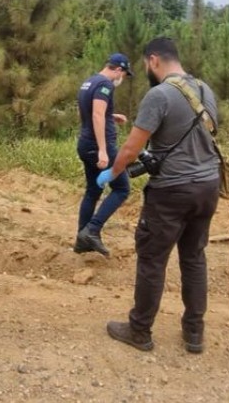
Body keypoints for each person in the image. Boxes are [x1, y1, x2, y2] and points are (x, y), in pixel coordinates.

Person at [98, 37, 220, 353]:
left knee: (152, 259)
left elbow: (131, 147)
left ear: (154, 60)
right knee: (193, 257)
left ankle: (139, 330)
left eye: (145, 65)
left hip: (172, 192)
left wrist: (111, 174)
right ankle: (194, 333)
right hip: (208, 187)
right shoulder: (206, 90)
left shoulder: (159, 94)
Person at [74, 53, 133, 256]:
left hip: (85, 142)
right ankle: (92, 230)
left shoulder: (89, 82)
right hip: (99, 146)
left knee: (93, 190)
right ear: (118, 69)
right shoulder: (105, 85)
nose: (122, 79)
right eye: (123, 74)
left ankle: (82, 239)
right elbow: (97, 114)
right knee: (122, 188)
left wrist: (110, 116)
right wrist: (103, 150)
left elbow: (86, 111)